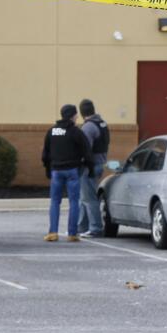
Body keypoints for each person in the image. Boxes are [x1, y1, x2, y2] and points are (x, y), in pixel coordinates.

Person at [41, 104, 91, 242]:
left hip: (56, 171)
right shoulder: (75, 132)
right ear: (73, 116)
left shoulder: (52, 131)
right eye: (76, 115)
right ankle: (72, 234)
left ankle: (53, 232)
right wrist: (89, 167)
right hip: (72, 171)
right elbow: (86, 151)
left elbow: (45, 154)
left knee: (55, 201)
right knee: (74, 202)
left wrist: (48, 169)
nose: (77, 117)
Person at [77, 99, 110, 238]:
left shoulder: (88, 127)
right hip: (99, 164)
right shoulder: (102, 123)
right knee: (84, 198)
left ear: (81, 112)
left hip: (89, 167)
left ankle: (95, 228)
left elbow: (85, 150)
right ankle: (82, 227)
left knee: (89, 198)